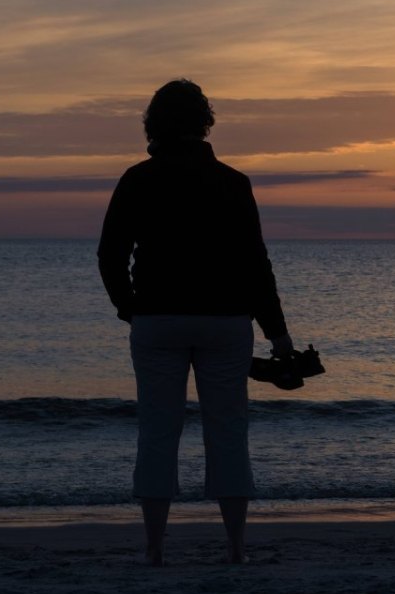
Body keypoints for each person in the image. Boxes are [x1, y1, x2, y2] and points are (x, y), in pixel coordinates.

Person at [97, 79, 292, 566]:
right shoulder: (232, 182)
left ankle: (155, 546)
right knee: (227, 430)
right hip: (225, 320)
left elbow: (110, 254)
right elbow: (255, 264)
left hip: (158, 319)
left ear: (153, 125)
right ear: (204, 123)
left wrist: (129, 306)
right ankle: (236, 546)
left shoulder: (138, 179)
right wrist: (278, 334)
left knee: (158, 431)